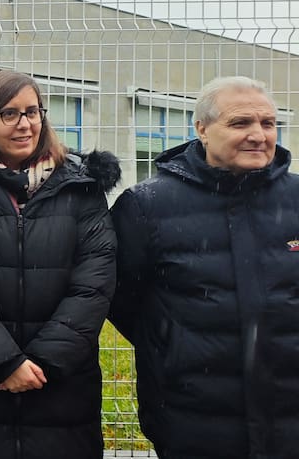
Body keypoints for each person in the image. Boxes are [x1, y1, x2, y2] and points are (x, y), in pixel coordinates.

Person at [0, 70, 119, 459]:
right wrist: (4, 361)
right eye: (8, 114)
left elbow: (95, 283)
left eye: (32, 112)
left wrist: (44, 361)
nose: (24, 124)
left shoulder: (81, 186)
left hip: (60, 386)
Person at [109, 76, 299, 459]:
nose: (258, 135)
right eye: (240, 123)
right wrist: (175, 344)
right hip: (192, 417)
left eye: (268, 123)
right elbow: (119, 298)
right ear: (202, 129)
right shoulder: (147, 206)